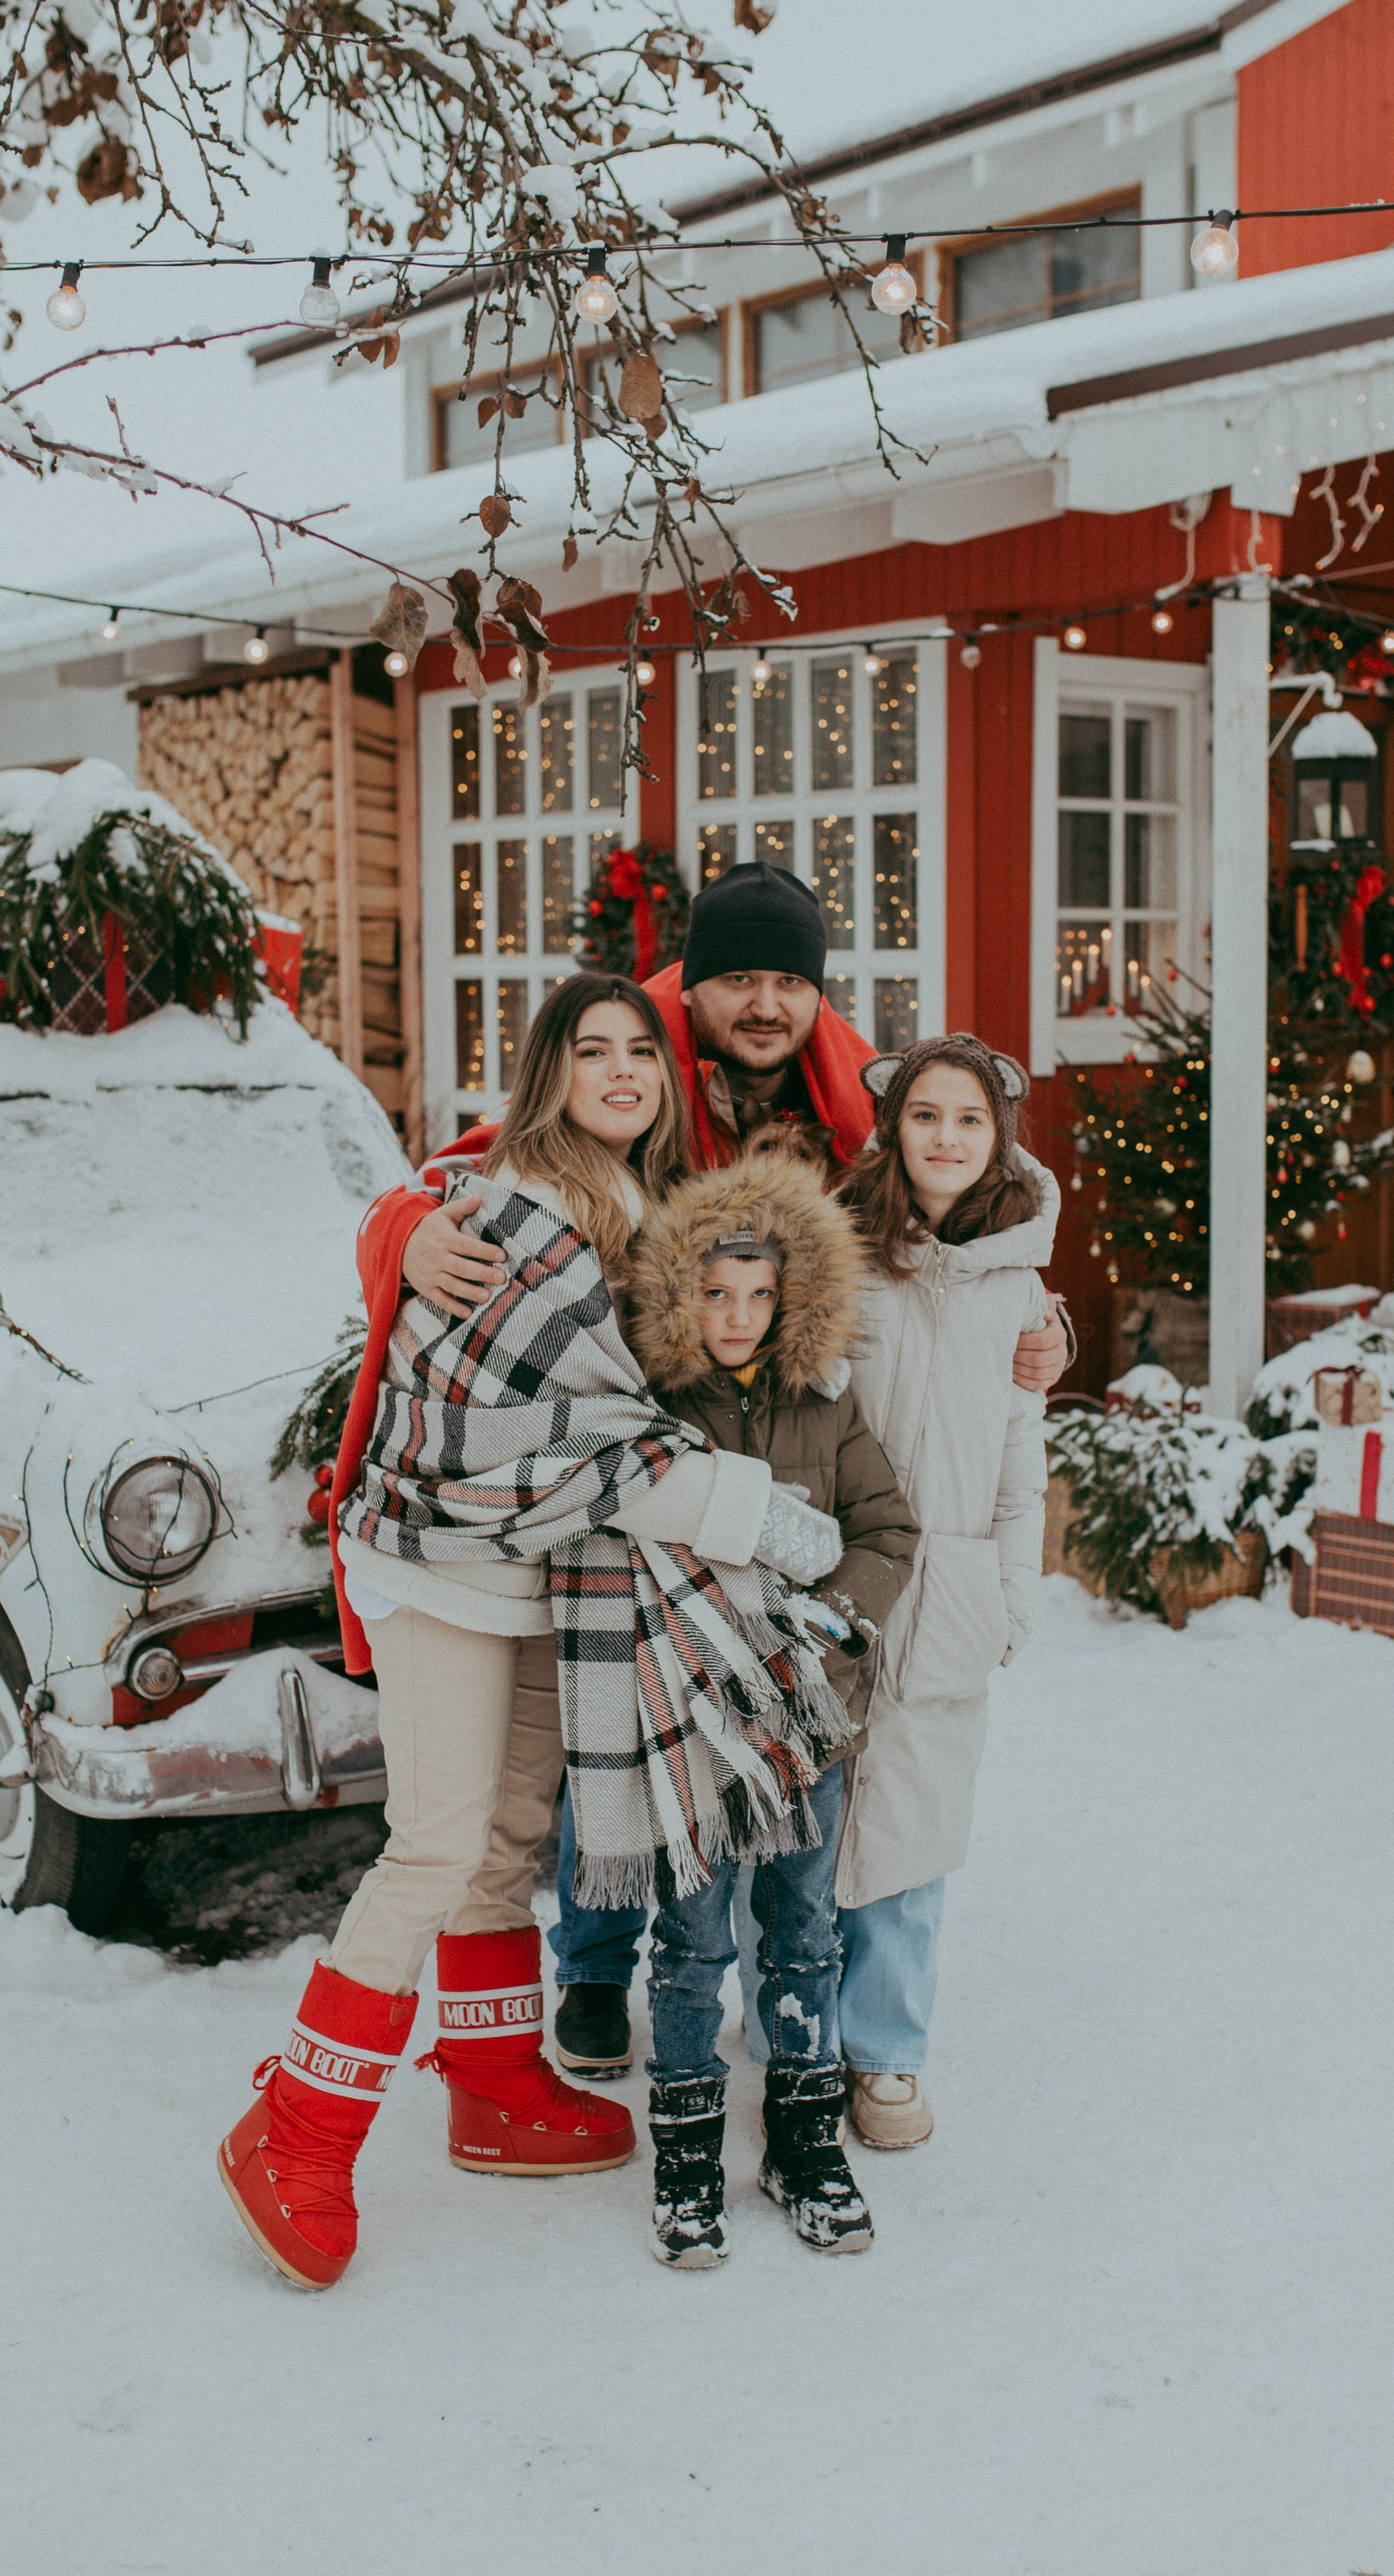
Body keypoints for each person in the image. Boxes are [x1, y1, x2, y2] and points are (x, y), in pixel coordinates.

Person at [371, 862, 1071, 2078]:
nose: (764, 1002)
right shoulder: (633, 1069)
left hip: (780, 1441)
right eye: (737, 977)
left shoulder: (845, 1104)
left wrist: (1036, 1320)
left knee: (756, 1720)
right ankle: (594, 1966)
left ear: (815, 994)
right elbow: (483, 1170)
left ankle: (776, 1978)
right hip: (633, 1446)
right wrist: (403, 1228)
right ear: (690, 987)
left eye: (788, 981)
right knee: (617, 1700)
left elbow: (949, 1215)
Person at [216, 975, 847, 2291]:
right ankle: (297, 2129)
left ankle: (497, 2083)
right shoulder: (517, 1205)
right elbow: (591, 1436)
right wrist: (753, 1511)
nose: (621, 1071)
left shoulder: (631, 1205)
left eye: (640, 1054)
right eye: (591, 1050)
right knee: (438, 1838)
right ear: (547, 1071)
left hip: (527, 1567)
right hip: (443, 1557)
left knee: (510, 1829)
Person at [621, 1152, 919, 2263]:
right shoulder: (654, 1410)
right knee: (692, 1940)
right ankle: (689, 2151)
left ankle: (803, 2137)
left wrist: (838, 1619)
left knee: (804, 1932)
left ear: (793, 1299)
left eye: (760, 1294)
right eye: (716, 1292)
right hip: (695, 1723)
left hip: (809, 1721)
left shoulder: (824, 1410)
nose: (738, 1315)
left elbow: (888, 1531)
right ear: (679, 1295)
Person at [828, 1033, 1055, 2151]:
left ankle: (887, 2056)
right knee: (811, 1817)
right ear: (893, 1127)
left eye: (970, 1119)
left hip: (953, 1587)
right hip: (835, 1579)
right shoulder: (844, 1254)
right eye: (928, 1116)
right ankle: (796, 2032)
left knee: (914, 1834)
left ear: (998, 1135)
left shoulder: (1019, 1290)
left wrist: (1012, 1596)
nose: (948, 1138)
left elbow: (1023, 1463)